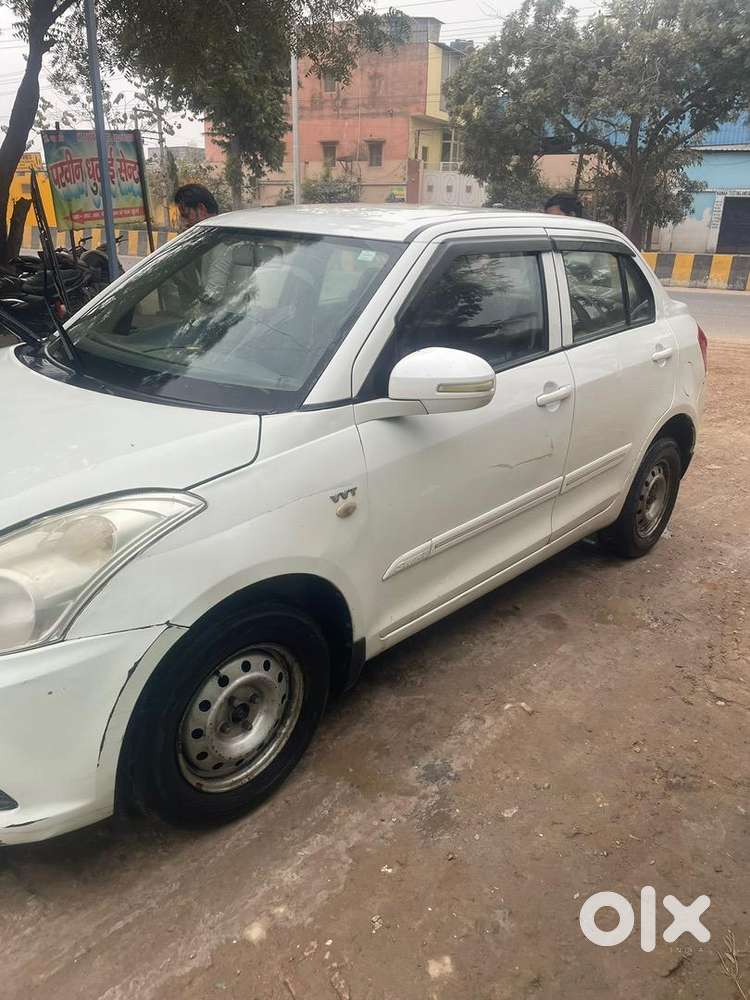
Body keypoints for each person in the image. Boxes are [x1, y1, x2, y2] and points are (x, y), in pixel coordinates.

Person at [173, 184, 232, 305]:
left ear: (201, 209)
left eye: (185, 215)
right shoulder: (206, 240)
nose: (183, 223)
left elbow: (212, 296)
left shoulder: (222, 244)